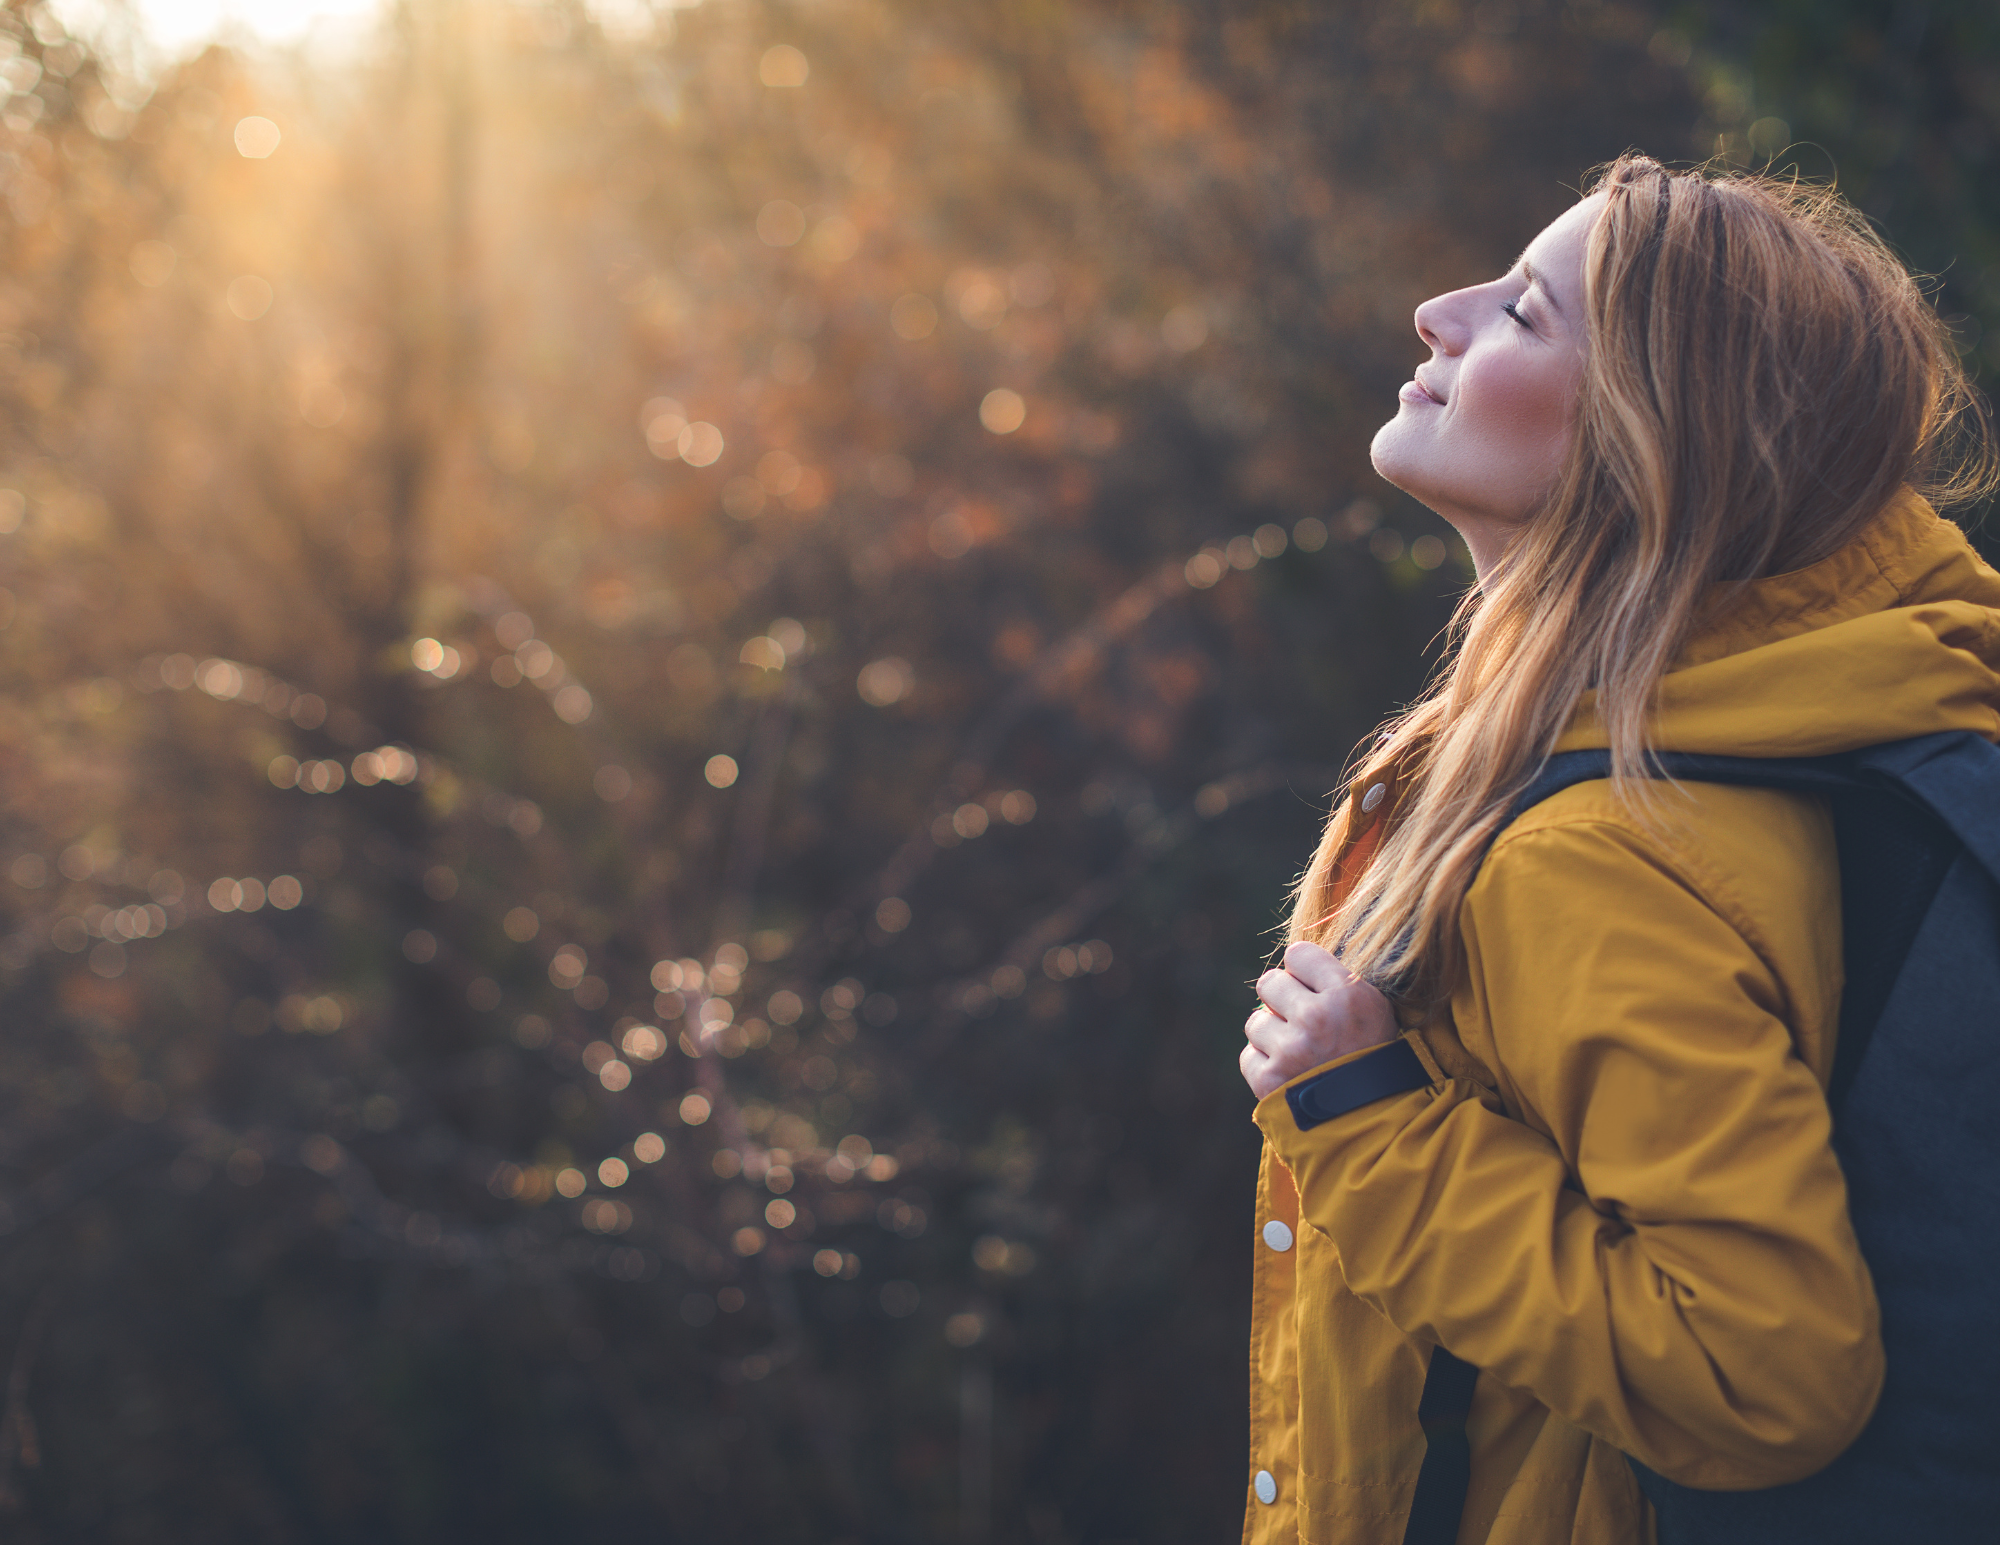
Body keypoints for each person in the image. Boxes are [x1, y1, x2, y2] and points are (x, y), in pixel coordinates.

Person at [1236, 153, 2000, 1545]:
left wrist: (1375, 1130)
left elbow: (1764, 1375)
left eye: (1525, 313)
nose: (1438, 313)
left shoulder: (1588, 855)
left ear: (1653, 437)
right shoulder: (1834, 720)